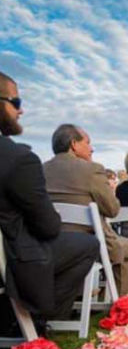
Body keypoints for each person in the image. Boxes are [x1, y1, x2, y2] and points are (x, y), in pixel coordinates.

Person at [0, 72, 98, 326]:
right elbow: (47, 225)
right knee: (88, 245)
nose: (20, 111)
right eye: (16, 103)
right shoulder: (18, 159)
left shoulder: (36, 164)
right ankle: (33, 317)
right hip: (12, 257)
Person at [43, 124, 128, 296]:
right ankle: (119, 302)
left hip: (47, 244)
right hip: (89, 243)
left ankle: (79, 295)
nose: (91, 148)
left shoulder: (41, 169)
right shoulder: (92, 170)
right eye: (87, 142)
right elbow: (112, 210)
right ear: (74, 144)